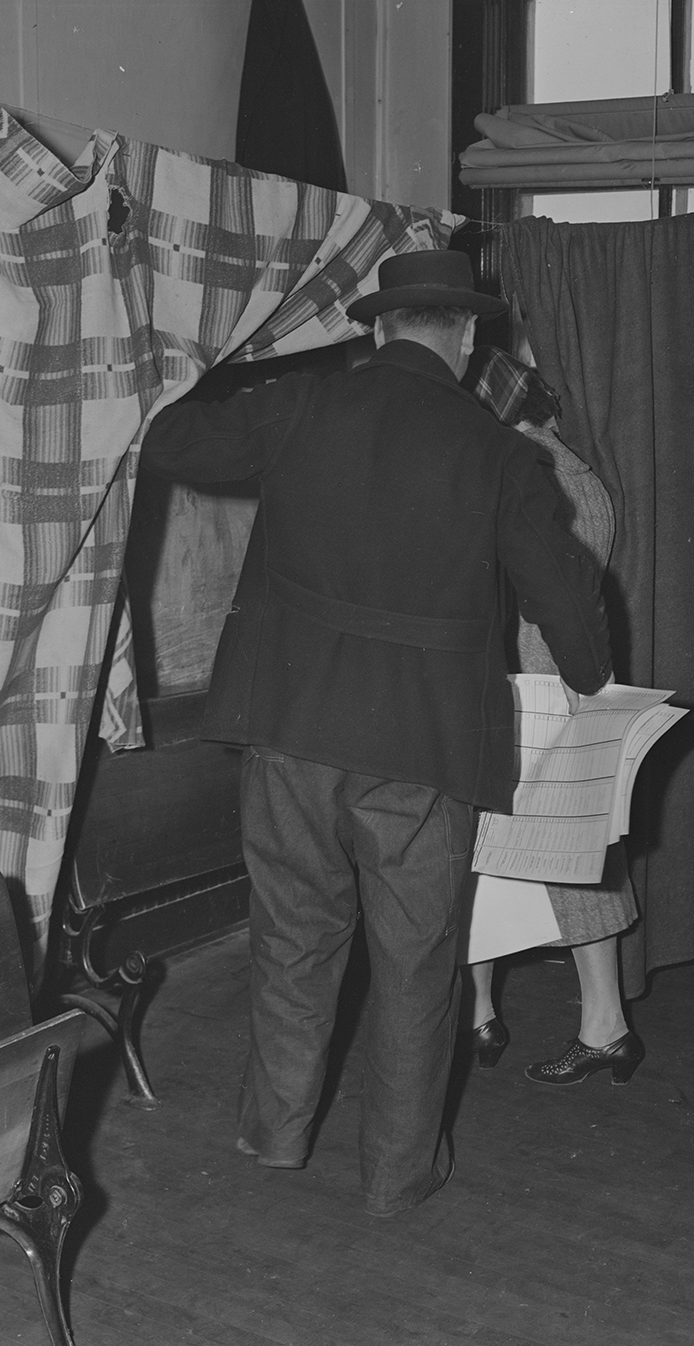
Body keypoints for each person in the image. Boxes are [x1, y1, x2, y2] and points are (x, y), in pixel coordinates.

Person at [139, 251, 612, 1217]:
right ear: (469, 340)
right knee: (415, 961)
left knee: (294, 940)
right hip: (423, 751)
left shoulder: (304, 406)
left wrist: (206, 355)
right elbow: (566, 599)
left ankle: (274, 1136)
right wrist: (592, 680)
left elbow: (173, 442)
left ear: (376, 329)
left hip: (291, 731)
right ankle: (398, 1173)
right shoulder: (500, 454)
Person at [462, 346, 643, 1088]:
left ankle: (488, 1015)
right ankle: (591, 1024)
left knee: (482, 853)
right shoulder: (578, 468)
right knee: (575, 857)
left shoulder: (517, 467)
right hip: (575, 685)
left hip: (526, 689)